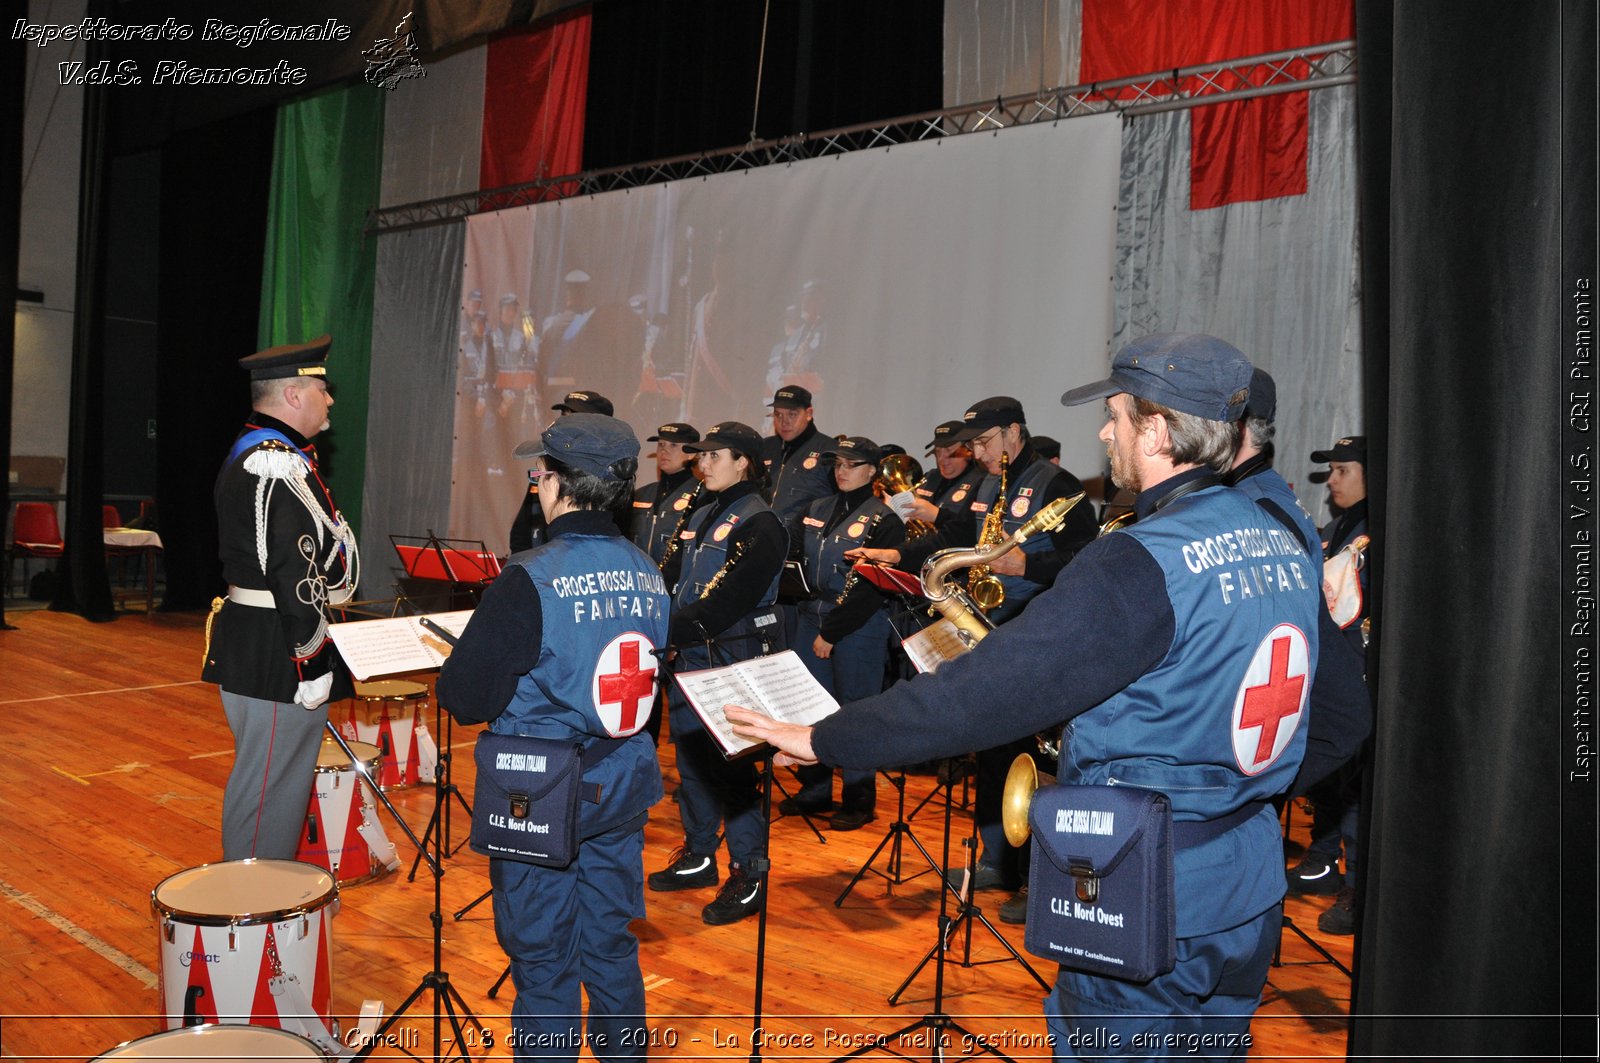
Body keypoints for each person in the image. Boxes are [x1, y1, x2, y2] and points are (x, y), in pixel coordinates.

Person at [729, 333, 1320, 1059]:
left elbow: (976, 697)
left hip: (1145, 890)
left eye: (1118, 416)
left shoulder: (1138, 561)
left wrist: (827, 737)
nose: (1105, 432)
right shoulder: (1281, 533)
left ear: (1159, 431)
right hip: (1248, 879)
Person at [437, 414, 669, 1061]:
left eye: (539, 471)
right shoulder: (647, 568)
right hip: (621, 780)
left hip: (538, 793)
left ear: (556, 483)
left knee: (542, 957)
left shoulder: (530, 576)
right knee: (612, 943)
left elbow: (464, 696)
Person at [862, 396, 1099, 900]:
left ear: (1015, 432)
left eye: (986, 442)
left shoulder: (1059, 486)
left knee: (1032, 760)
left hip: (1037, 631)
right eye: (973, 445)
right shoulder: (988, 484)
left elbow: (1088, 560)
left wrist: (1027, 568)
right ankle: (998, 861)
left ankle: (1040, 879)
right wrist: (898, 555)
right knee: (994, 749)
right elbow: (951, 540)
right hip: (986, 626)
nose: (979, 453)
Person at [203, 335, 359, 861]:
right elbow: (294, 570)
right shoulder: (273, 463)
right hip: (280, 646)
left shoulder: (271, 454)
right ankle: (251, 909)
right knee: (268, 790)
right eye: (322, 388)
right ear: (294, 395)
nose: (330, 399)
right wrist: (311, 659)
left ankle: (263, 896)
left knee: (279, 784)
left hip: (267, 638)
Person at [648, 422, 788, 925]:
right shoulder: (705, 511)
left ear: (742, 462)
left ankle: (749, 873)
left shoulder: (761, 523)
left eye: (713, 456)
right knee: (691, 762)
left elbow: (729, 601)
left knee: (733, 768)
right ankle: (701, 853)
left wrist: (666, 630)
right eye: (700, 456)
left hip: (730, 656)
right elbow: (675, 581)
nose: (701, 464)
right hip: (690, 654)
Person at [781, 436, 906, 830]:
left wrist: (832, 632)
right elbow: (797, 561)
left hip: (856, 626)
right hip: (810, 615)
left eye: (851, 465)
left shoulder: (885, 520)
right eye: (837, 464)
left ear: (872, 471)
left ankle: (858, 797)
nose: (841, 471)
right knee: (811, 706)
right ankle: (815, 789)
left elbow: (871, 589)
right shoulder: (817, 508)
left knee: (855, 708)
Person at [1288, 434, 1370, 934]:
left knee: (1358, 778)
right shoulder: (1342, 524)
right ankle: (1322, 858)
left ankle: (1359, 889)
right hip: (1333, 662)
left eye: (1343, 470)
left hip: (1360, 669)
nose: (1332, 480)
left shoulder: (1379, 527)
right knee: (1329, 772)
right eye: (1331, 471)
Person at [510, 391, 616, 555]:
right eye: (564, 416)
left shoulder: (610, 481)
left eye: (573, 417)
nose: (563, 423)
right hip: (542, 568)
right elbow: (520, 533)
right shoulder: (547, 470)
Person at [630, 422, 706, 566]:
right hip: (638, 578)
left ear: (691, 454)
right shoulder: (642, 494)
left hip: (673, 582)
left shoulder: (702, 497)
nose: (664, 451)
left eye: (673, 445)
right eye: (661, 445)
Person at [760, 385, 835, 523]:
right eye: (778, 414)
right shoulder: (764, 447)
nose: (784, 422)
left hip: (804, 539)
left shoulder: (829, 450)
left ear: (809, 414)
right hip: (763, 535)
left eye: (792, 414)